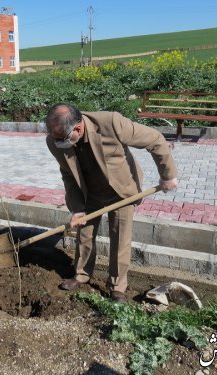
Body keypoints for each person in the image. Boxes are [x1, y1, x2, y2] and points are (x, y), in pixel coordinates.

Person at [45, 103, 178, 302]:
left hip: (121, 191)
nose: (57, 143)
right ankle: (81, 275)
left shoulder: (112, 123)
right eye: (54, 138)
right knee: (85, 235)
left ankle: (117, 286)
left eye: (61, 139)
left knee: (120, 237)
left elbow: (155, 140)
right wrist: (77, 207)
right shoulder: (55, 140)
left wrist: (168, 175)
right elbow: (68, 176)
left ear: (78, 129)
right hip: (89, 193)